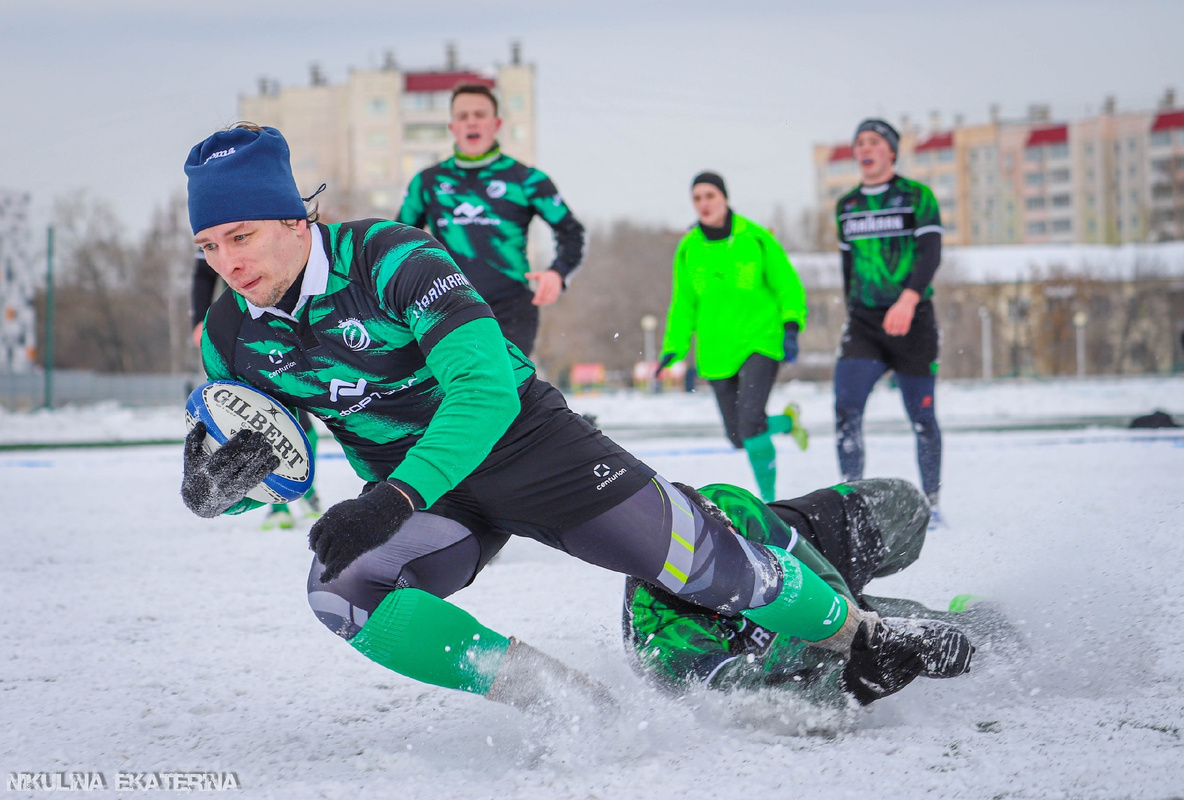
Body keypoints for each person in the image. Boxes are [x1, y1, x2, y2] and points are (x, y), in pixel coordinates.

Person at [179, 124, 972, 718]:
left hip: (530, 448)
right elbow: (274, 459)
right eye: (209, 245)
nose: (229, 261)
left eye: (242, 235)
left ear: (294, 219)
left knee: (707, 565)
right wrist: (221, 489)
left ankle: (859, 633)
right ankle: (570, 703)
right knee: (340, 592)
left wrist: (393, 497)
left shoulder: (393, 257)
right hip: (434, 502)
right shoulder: (230, 334)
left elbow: (484, 394)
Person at [625, 478, 1000, 706]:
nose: (732, 563)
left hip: (808, 560)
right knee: (977, 641)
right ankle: (973, 620)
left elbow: (821, 580)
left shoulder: (727, 505)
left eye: (728, 545)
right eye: (718, 566)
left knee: (908, 505)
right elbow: (756, 703)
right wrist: (859, 682)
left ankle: (871, 614)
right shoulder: (665, 642)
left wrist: (862, 630)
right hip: (781, 643)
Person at [396, 83, 584, 358]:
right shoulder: (428, 183)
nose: (471, 121)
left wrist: (558, 272)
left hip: (511, 308)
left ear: (496, 124)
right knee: (456, 389)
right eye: (462, 116)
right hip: (445, 303)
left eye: (479, 114)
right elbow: (398, 243)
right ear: (452, 127)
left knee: (504, 388)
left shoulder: (526, 180)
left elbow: (572, 232)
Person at [658, 172, 809, 503]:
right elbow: (683, 303)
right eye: (697, 198)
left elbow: (787, 283)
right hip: (716, 349)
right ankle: (786, 422)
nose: (704, 204)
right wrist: (674, 347)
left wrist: (791, 325)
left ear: (724, 198)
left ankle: (769, 501)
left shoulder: (754, 237)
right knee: (738, 435)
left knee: (752, 420)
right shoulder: (688, 249)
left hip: (760, 339)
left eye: (710, 195)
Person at [834, 119, 944, 523]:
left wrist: (908, 299)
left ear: (891, 151)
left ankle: (931, 503)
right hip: (864, 325)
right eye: (859, 141)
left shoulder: (917, 196)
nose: (866, 147)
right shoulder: (847, 205)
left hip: (913, 321)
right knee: (846, 411)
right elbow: (848, 266)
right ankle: (852, 502)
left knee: (922, 417)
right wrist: (853, 311)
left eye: (875, 141)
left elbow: (930, 254)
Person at [190, 248, 322, 529]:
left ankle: (307, 493)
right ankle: (277, 503)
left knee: (299, 414)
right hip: (243, 330)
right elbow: (203, 272)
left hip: (288, 318)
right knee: (255, 417)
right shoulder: (211, 227)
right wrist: (199, 320)